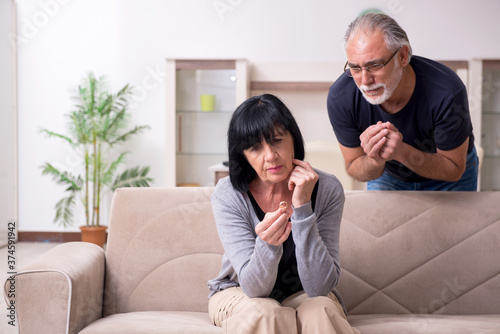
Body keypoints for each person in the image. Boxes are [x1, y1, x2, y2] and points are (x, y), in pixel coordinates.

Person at [207, 94, 359, 334]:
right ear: (243, 155)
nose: (270, 156)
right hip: (239, 292)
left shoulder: (327, 188)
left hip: (304, 294)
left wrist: (302, 208)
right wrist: (268, 243)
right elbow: (255, 289)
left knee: (321, 310)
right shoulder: (229, 194)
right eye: (255, 148)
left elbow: (319, 287)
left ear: (293, 140)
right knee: (265, 312)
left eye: (277, 140)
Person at [327, 13, 479, 191]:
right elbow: (354, 166)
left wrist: (401, 152)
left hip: (449, 176)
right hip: (389, 175)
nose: (365, 81)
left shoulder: (447, 91)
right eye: (355, 68)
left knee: (456, 220)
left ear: (403, 56)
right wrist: (375, 159)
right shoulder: (341, 98)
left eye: (375, 65)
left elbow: (453, 169)